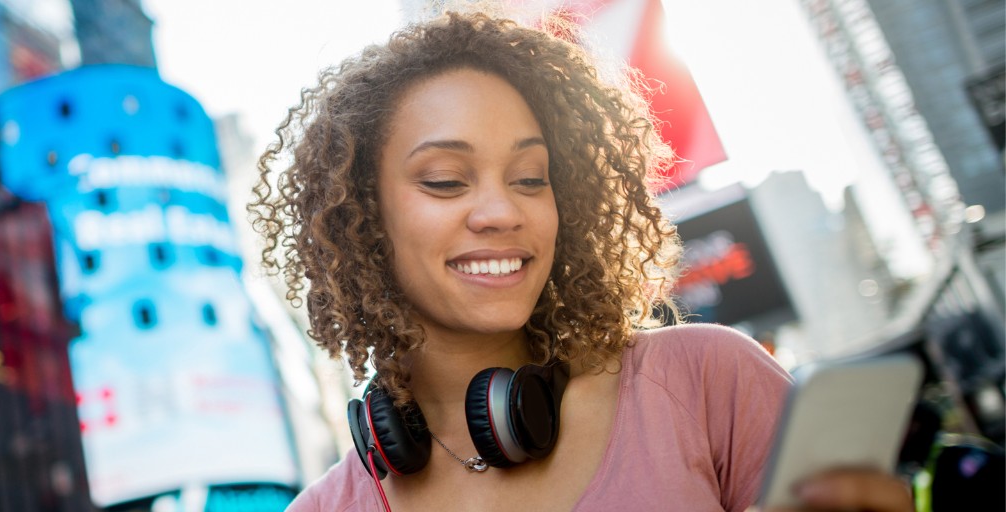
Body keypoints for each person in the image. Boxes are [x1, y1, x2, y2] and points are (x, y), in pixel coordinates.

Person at [249, 10, 914, 512]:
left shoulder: (708, 381)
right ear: (362, 218)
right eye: (447, 180)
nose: (502, 211)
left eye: (531, 178)